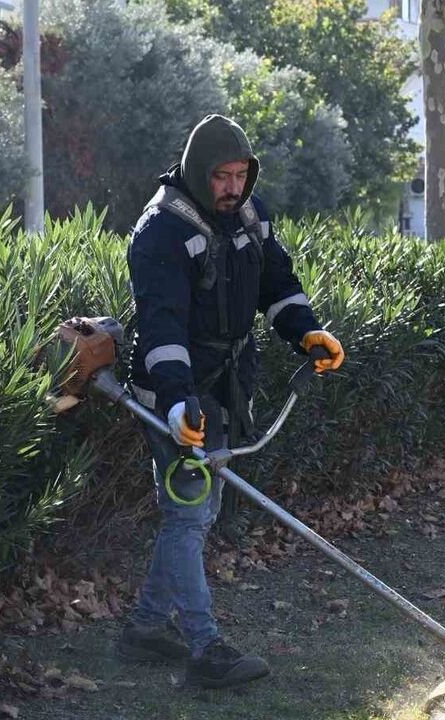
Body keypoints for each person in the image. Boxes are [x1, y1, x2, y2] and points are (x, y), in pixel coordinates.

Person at [116, 114, 345, 689]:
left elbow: (277, 284)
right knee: (190, 513)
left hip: (224, 382)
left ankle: (144, 628)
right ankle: (204, 648)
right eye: (222, 176)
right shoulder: (159, 233)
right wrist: (174, 403)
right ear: (198, 172)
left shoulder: (249, 214)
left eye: (241, 175)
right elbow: (161, 325)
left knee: (199, 512)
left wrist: (306, 331)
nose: (233, 188)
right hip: (172, 386)